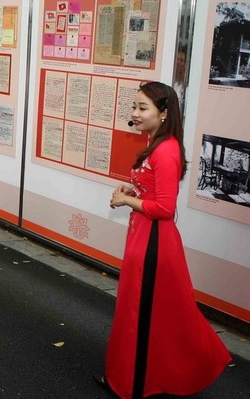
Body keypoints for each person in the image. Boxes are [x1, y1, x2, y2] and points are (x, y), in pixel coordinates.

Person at [101, 81, 230, 398]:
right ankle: (128, 378)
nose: (135, 113)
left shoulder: (167, 151)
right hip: (143, 237)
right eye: (134, 106)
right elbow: (152, 190)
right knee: (142, 313)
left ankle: (136, 383)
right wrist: (132, 191)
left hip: (154, 243)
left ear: (164, 112)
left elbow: (165, 209)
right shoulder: (157, 143)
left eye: (142, 108)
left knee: (142, 315)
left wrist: (126, 201)